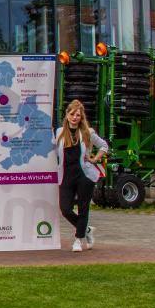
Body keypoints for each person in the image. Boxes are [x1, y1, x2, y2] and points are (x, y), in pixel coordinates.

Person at [55, 99, 108, 252]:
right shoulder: (59, 132)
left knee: (83, 208)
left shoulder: (88, 132)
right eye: (72, 114)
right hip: (66, 175)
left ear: (81, 117)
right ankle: (87, 230)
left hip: (85, 175)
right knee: (65, 209)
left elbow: (104, 146)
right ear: (67, 115)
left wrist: (95, 159)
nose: (74, 117)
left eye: (78, 115)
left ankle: (78, 239)